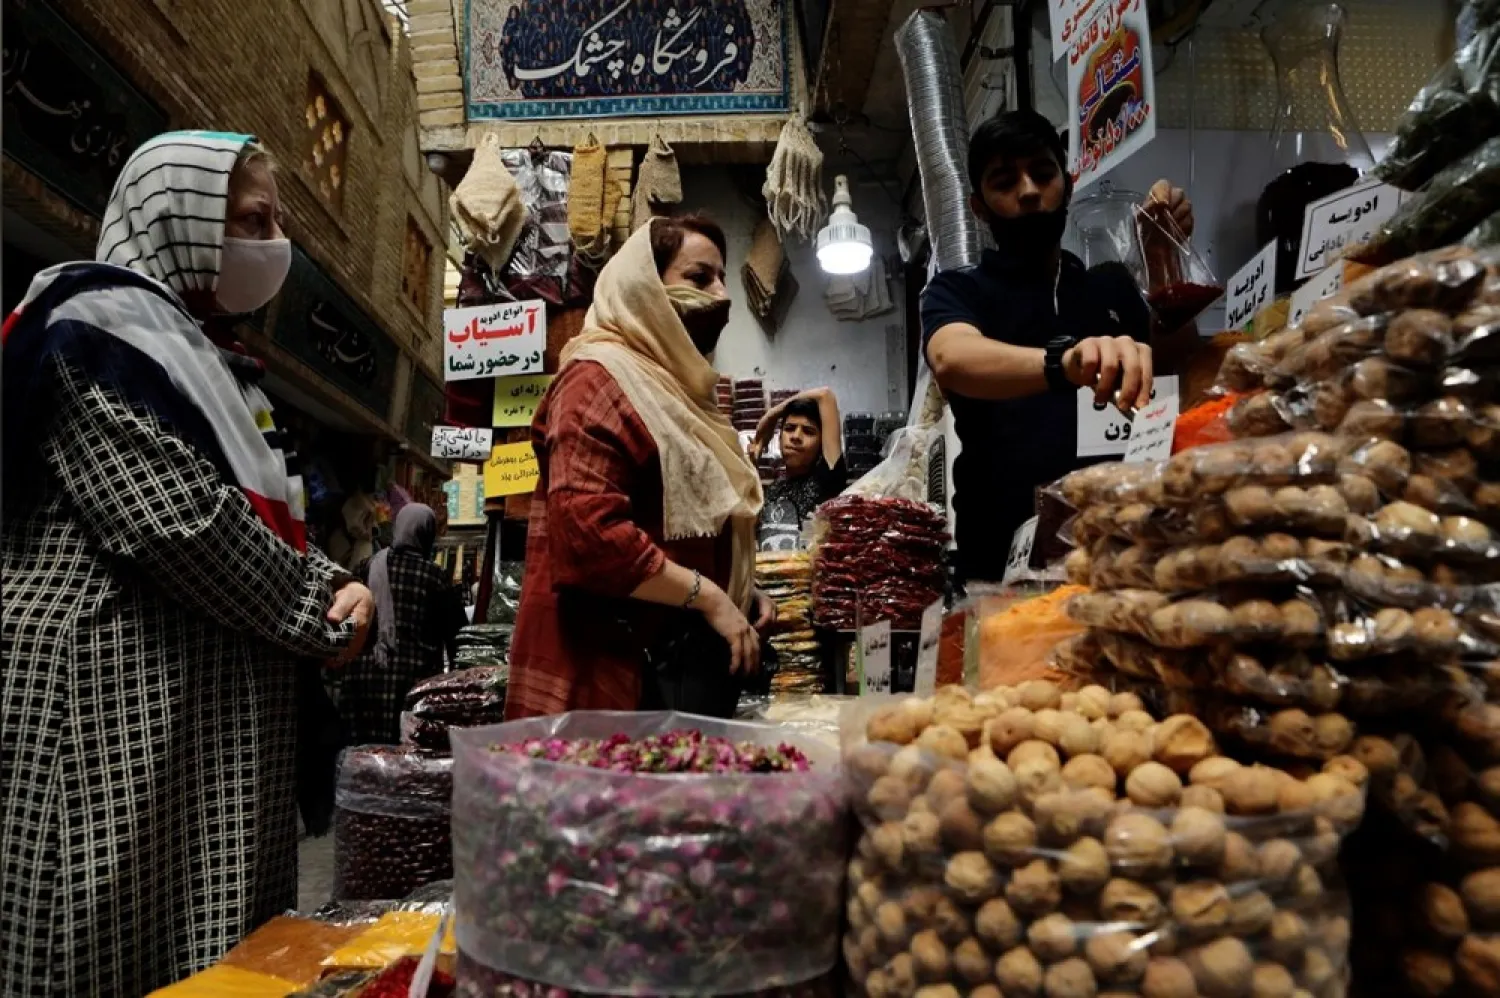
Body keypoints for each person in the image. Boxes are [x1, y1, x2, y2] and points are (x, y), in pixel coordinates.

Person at [0, 131, 374, 994]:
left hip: (203, 729)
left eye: (276, 220)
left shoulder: (217, 367)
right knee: (102, 944)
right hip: (110, 721)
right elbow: (179, 521)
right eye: (251, 219)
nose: (273, 241)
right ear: (182, 220)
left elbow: (262, 521)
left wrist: (329, 584)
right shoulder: (93, 330)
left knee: (206, 955)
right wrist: (325, 599)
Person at [508, 214, 774, 719]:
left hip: (667, 669)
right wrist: (712, 597)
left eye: (721, 278)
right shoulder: (596, 381)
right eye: (698, 278)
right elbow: (589, 534)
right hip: (607, 670)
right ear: (643, 286)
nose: (720, 296)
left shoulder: (679, 393)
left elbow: (672, 525)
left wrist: (739, 584)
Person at [921, 109, 1196, 582]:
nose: (1028, 191)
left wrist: (1161, 256)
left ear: (1067, 184)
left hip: (1121, 554)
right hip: (999, 563)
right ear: (978, 206)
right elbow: (952, 358)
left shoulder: (1108, 287)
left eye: (1043, 175)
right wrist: (1063, 364)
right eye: (1005, 182)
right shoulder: (958, 291)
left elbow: (1179, 363)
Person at [343, 503, 467, 744]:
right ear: (427, 533)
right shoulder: (434, 575)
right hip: (414, 681)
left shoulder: (366, 567)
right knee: (405, 759)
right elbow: (456, 637)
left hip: (365, 679)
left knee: (364, 752)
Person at [750, 388, 848, 551]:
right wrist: (752, 463)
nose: (795, 436)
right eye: (789, 428)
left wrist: (772, 415)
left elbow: (825, 396)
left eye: (808, 431)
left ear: (821, 443)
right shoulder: (774, 489)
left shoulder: (827, 478)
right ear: (779, 437)